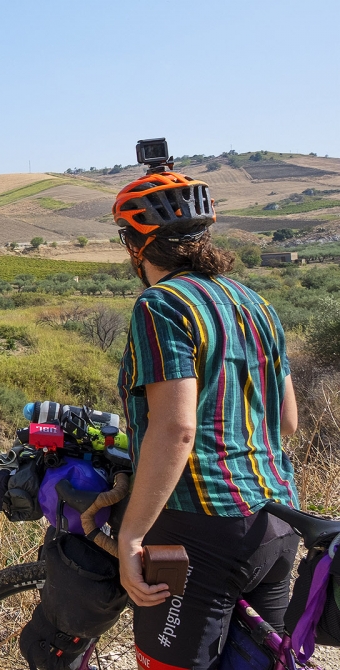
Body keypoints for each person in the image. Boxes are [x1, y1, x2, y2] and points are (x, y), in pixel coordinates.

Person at [112, 166, 300, 670]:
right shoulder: (257, 304)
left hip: (203, 527)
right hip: (278, 521)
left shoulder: (161, 305)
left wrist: (131, 537)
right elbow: (287, 423)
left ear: (136, 246)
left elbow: (175, 429)